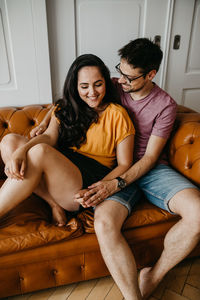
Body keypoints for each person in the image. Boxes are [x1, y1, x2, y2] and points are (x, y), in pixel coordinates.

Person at [0, 54, 135, 230]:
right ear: (75, 86)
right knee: (9, 141)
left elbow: (125, 164)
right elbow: (49, 137)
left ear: (106, 83)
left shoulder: (117, 114)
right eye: (84, 86)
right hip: (62, 167)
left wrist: (97, 189)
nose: (92, 92)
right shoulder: (66, 107)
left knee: (40, 151)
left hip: (89, 178)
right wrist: (21, 151)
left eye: (98, 84)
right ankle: (53, 204)